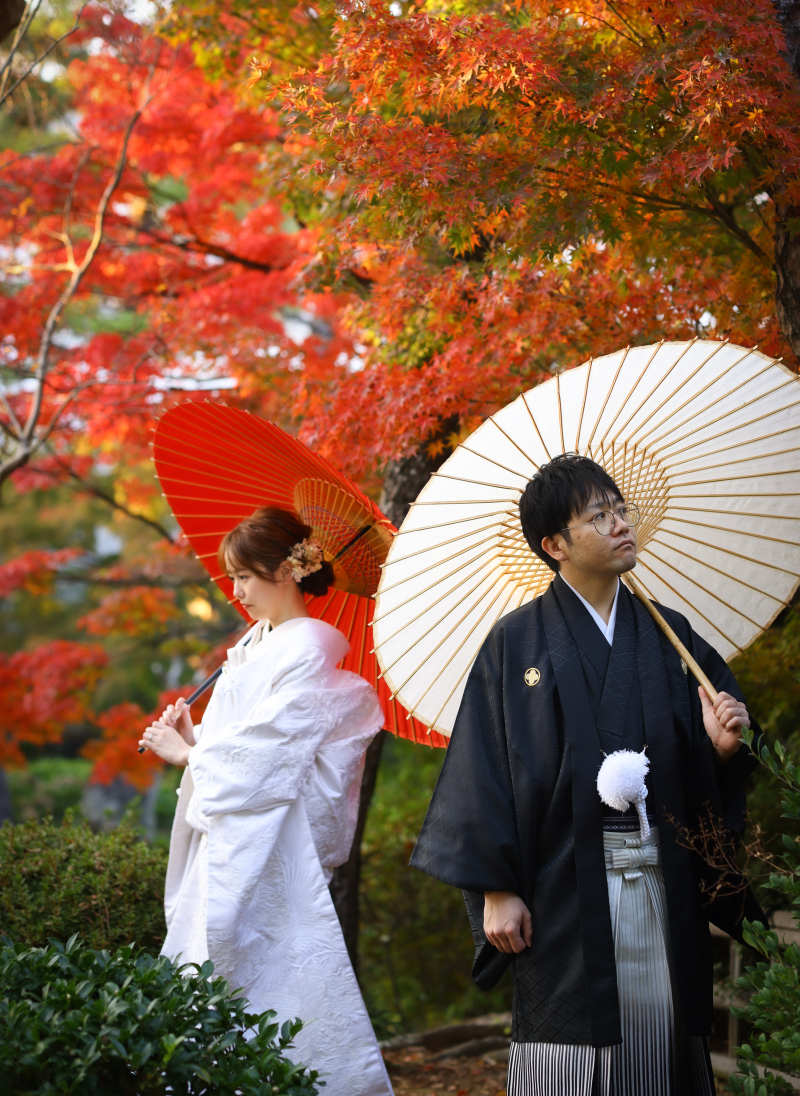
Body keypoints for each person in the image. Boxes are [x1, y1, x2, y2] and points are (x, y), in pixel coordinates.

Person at [410, 454, 763, 1096]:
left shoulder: (669, 635)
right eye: (598, 517)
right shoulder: (515, 643)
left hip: (663, 880)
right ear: (555, 545)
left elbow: (709, 774)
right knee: (566, 1054)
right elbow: (483, 767)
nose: (621, 524)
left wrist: (717, 750)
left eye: (620, 509)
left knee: (661, 1047)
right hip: (560, 896)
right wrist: (494, 887)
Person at [139, 507, 393, 1096]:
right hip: (232, 836)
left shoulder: (306, 651)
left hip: (270, 849)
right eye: (232, 578)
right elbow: (244, 748)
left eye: (245, 577)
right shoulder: (256, 646)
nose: (237, 592)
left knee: (260, 981)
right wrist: (199, 740)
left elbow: (273, 755)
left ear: (288, 571)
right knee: (215, 973)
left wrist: (187, 756)